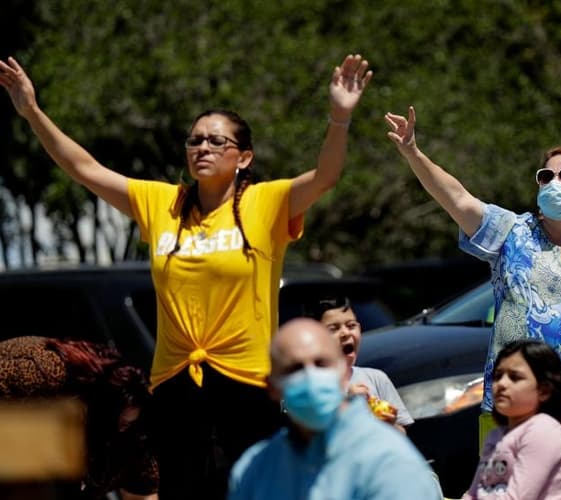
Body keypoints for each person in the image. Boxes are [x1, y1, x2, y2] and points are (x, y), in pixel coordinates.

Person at [0, 53, 373, 499]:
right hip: (176, 385)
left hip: (248, 384)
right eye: (195, 140)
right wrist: (32, 112)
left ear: (244, 157)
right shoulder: (162, 203)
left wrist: (339, 119)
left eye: (217, 142)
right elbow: (86, 170)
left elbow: (326, 176)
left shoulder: (266, 203)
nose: (203, 148)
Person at [384, 107, 561, 454]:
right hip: (508, 416)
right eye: (546, 176)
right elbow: (457, 197)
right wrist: (413, 152)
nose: (555, 184)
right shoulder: (511, 233)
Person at [228, 318, 442, 500]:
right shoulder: (254, 468)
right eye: (294, 369)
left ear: (343, 372)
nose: (310, 377)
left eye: (321, 364)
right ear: (273, 388)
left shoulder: (390, 463)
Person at [0, 336, 158, 500]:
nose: (121, 430)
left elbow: (144, 491)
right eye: (120, 423)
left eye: (127, 425)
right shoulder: (41, 372)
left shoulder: (129, 440)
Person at [463, 339, 561, 500]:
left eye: (515, 377)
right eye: (498, 376)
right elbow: (473, 493)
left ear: (544, 391)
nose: (501, 384)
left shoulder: (543, 432)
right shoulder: (496, 435)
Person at [312, 296, 414, 430]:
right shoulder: (310, 387)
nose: (345, 333)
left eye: (351, 326)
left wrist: (389, 424)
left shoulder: (377, 378)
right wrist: (347, 406)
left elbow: (402, 435)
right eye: (333, 329)